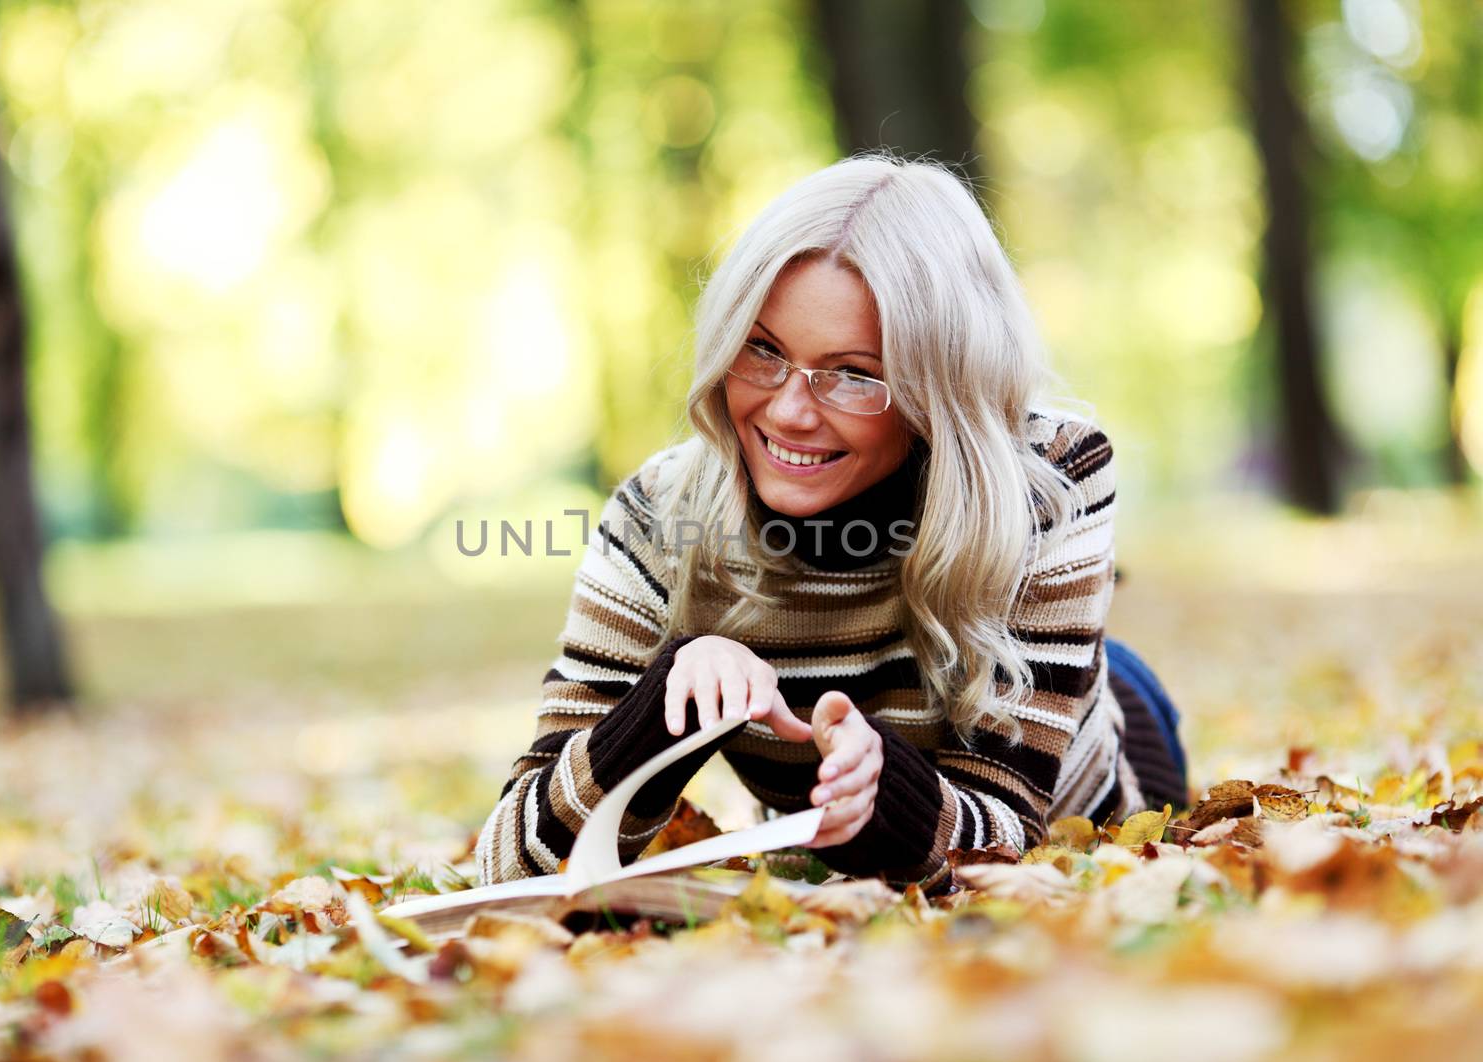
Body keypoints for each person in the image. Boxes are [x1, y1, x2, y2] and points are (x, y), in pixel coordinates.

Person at [475, 153, 1188, 892]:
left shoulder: (1049, 477)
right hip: (925, 773)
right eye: (762, 350)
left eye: (852, 372)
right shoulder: (660, 516)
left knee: (1108, 694)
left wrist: (886, 791)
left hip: (1101, 752)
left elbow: (1012, 835)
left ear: (936, 385)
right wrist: (663, 713)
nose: (788, 410)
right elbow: (507, 860)